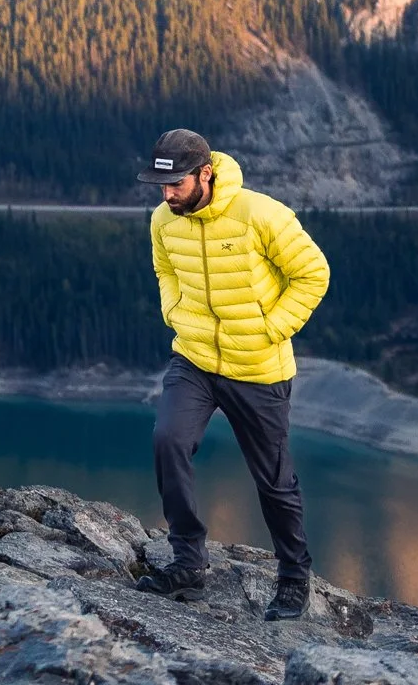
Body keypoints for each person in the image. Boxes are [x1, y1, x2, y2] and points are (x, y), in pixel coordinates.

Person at [136, 128, 331, 621]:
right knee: (168, 441)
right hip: (195, 358)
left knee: (274, 480)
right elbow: (165, 271)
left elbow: (313, 273)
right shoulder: (164, 220)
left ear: (206, 173)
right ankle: (187, 565)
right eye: (161, 186)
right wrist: (174, 311)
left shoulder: (261, 214)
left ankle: (292, 579)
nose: (167, 194)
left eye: (177, 184)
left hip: (257, 366)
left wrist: (271, 328)